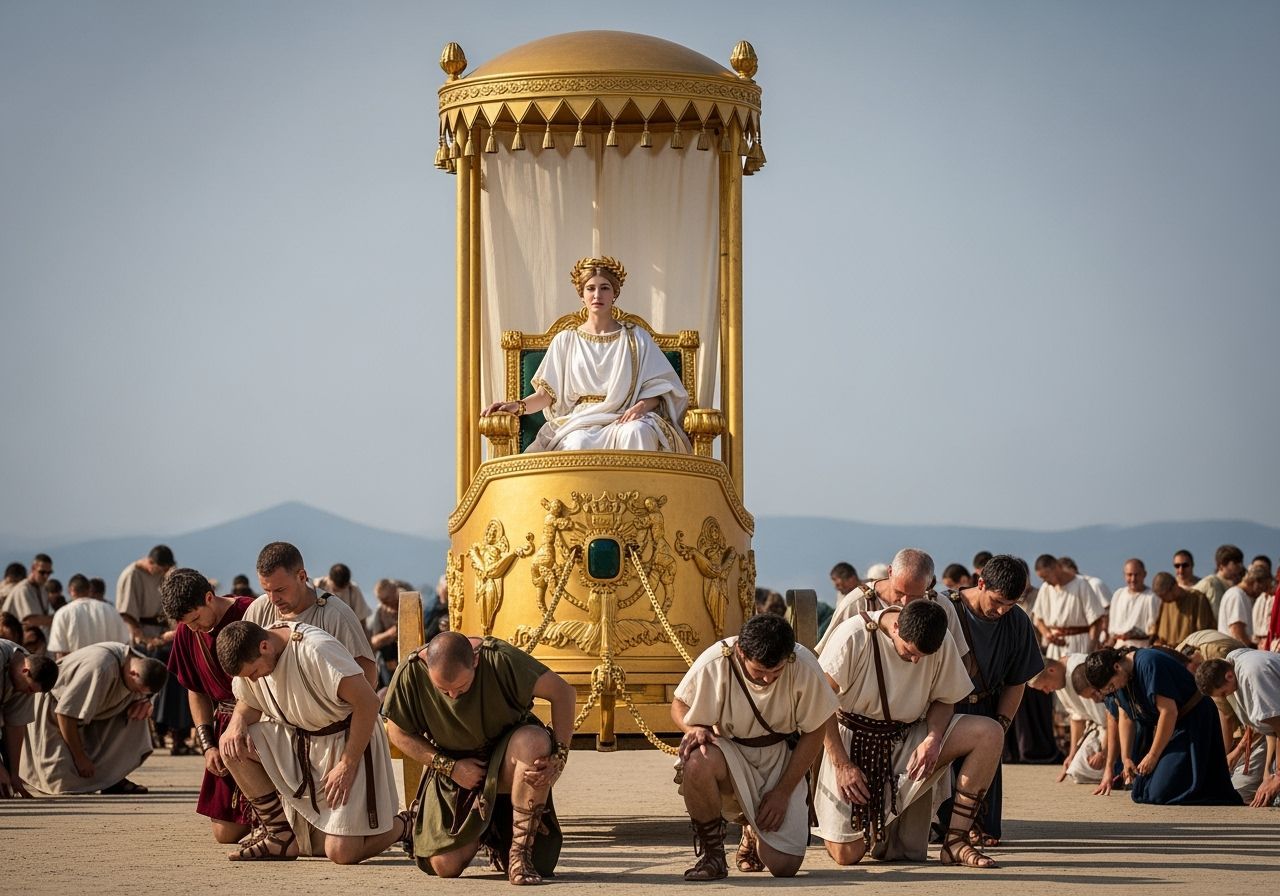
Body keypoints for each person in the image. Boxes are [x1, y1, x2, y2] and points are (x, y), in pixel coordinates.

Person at [814, 600, 1000, 868]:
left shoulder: (940, 638)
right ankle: (863, 828)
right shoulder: (854, 635)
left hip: (908, 737)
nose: (915, 661)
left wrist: (933, 739)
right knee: (848, 855)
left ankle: (956, 841)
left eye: (922, 657)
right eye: (909, 653)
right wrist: (842, 764)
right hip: (851, 743)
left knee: (989, 733)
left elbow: (945, 698)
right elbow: (820, 703)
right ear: (897, 627)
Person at [383, 630, 576, 883]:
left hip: (509, 757)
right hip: (457, 769)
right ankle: (485, 835)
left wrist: (558, 758)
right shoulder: (411, 672)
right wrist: (450, 767)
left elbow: (563, 692)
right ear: (427, 666)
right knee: (445, 866)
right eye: (443, 690)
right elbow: (396, 732)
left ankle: (520, 855)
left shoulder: (500, 658)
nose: (453, 696)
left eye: (461, 688)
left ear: (475, 661)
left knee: (534, 741)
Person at [216, 620, 406, 863]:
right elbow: (250, 700)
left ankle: (405, 824)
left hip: (349, 741)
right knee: (232, 745)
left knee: (341, 853)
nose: (253, 680)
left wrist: (347, 765)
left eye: (253, 673)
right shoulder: (257, 656)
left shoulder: (315, 649)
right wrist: (237, 722)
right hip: (300, 739)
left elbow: (368, 702)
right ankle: (279, 835)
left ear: (264, 646)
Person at [671, 614, 837, 880]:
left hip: (781, 756)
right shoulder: (717, 660)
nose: (768, 680)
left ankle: (752, 832)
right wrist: (694, 729)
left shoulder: (803, 663)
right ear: (740, 651)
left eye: (776, 672)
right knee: (696, 759)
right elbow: (680, 704)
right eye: (759, 671)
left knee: (784, 867)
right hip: (730, 751)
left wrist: (783, 792)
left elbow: (816, 728)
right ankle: (713, 856)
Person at [481, 255, 691, 453]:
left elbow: (662, 388)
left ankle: (639, 492)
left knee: (637, 432)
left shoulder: (636, 338)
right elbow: (546, 395)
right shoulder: (566, 340)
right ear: (582, 295)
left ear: (615, 293)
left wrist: (641, 406)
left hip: (626, 416)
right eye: (591, 288)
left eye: (605, 288)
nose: (597, 295)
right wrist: (517, 406)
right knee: (578, 442)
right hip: (580, 421)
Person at [942, 555, 1043, 845]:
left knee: (985, 817)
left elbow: (1017, 680)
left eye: (1010, 604)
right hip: (945, 707)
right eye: (997, 601)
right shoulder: (947, 609)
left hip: (986, 710)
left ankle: (974, 827)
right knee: (940, 803)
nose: (1001, 611)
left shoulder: (1018, 621)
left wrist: (1000, 724)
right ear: (981, 583)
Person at [160, 568, 256, 843]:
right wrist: (207, 745)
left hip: (264, 719)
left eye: (196, 618)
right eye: (186, 623)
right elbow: (196, 690)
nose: (193, 628)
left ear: (209, 597)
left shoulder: (250, 612)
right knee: (225, 834)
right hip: (223, 727)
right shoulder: (186, 632)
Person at [1083, 647, 1240, 805]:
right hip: (1171, 726)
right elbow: (1125, 715)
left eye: (1111, 685)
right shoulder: (1120, 679)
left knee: (1159, 793)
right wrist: (1126, 758)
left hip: (1193, 721)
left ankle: (1205, 787)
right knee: (1140, 790)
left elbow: (1168, 712)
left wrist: (1153, 755)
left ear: (1117, 667)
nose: (1113, 690)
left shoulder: (1149, 663)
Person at [21, 642, 167, 795]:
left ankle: (113, 778)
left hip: (92, 711)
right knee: (63, 784)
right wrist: (80, 758)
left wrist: (146, 701)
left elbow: (149, 688)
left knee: (139, 711)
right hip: (53, 709)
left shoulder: (139, 662)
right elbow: (65, 714)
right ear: (133, 674)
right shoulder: (100, 668)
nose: (137, 693)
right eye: (137, 690)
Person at [244, 542, 375, 687]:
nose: (273, 599)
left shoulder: (336, 616)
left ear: (301, 577)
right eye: (267, 590)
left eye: (280, 589)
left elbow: (368, 677)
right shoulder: (258, 609)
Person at [816, 549, 967, 659]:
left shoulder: (941, 607)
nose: (905, 602)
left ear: (929, 583)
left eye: (915, 596)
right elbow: (827, 659)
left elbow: (960, 662)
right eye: (899, 593)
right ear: (890, 572)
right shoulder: (856, 604)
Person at [1195, 650, 1280, 807]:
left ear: (1228, 676)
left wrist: (1277, 776)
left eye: (1224, 692)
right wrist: (1268, 773)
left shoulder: (1253, 674)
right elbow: (1271, 730)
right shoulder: (1233, 664)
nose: (1224, 697)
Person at [1028, 654, 1110, 785]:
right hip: (1098, 729)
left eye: (1045, 686)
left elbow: (1109, 716)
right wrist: (1071, 755)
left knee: (1091, 768)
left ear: (1051, 670)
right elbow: (1077, 718)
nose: (1047, 691)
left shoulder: (1079, 670)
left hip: (1113, 727)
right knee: (1077, 770)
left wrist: (1103, 752)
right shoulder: (1059, 681)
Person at [1, 637, 59, 797]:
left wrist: (14, 775)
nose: (29, 694)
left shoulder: (24, 678)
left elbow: (15, 725)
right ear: (25, 671)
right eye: (30, 690)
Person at [1031, 555, 1105, 659]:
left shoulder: (1081, 584)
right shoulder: (1046, 588)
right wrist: (1048, 635)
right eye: (1042, 578)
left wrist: (1090, 649)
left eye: (1046, 576)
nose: (1045, 581)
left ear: (1056, 567)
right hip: (1055, 648)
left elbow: (1096, 620)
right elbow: (1038, 619)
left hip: (1080, 644)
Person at [47, 573, 131, 659]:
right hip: (109, 669)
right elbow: (124, 647)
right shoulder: (111, 610)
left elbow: (60, 654)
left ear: (71, 590)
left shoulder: (62, 613)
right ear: (88, 589)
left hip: (77, 670)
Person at [116, 545, 176, 645]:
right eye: (161, 569)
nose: (164, 573)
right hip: (140, 636)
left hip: (163, 634)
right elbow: (126, 613)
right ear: (150, 562)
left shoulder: (163, 574)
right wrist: (142, 638)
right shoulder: (132, 575)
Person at [1150, 572, 1216, 648]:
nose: (1163, 599)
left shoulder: (1197, 599)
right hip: (1166, 653)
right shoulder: (1165, 603)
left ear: (1174, 587)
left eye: (1164, 595)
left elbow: (1203, 633)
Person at [1107, 559, 1161, 648]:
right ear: (1124, 575)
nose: (1133, 579)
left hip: (1142, 648)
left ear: (1144, 574)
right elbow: (1112, 632)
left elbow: (1154, 632)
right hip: (1117, 647)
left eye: (1136, 575)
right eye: (1129, 575)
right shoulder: (1118, 594)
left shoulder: (1152, 597)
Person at [1, 554, 55, 634]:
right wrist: (58, 617)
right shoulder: (23, 589)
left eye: (49, 573)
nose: (46, 576)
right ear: (33, 568)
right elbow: (31, 621)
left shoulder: (42, 590)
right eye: (42, 572)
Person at [1219, 568, 1269, 645]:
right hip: (1234, 652)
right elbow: (1237, 631)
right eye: (1261, 588)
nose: (1261, 592)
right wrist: (1252, 648)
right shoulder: (1237, 596)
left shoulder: (1241, 595)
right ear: (1255, 582)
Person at [367, 578, 400, 688]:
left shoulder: (408, 602)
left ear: (394, 592)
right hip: (390, 656)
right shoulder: (380, 611)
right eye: (382, 601)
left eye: (386, 599)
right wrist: (390, 633)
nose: (385, 604)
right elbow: (374, 642)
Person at [1194, 544, 1245, 617]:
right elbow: (1217, 617)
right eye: (1235, 563)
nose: (1240, 567)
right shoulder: (1212, 583)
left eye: (1241, 563)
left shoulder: (1227, 586)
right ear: (1221, 565)